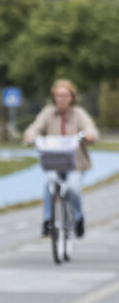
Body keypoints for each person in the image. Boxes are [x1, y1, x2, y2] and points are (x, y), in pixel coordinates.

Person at [23, 78, 98, 238]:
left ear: (72, 97)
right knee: (50, 185)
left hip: (75, 163)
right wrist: (30, 136)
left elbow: (90, 128)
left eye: (65, 96)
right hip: (53, 161)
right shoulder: (48, 113)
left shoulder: (79, 114)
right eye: (58, 96)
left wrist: (89, 135)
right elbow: (34, 128)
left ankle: (78, 218)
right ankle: (48, 221)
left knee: (72, 188)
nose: (61, 99)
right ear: (53, 97)